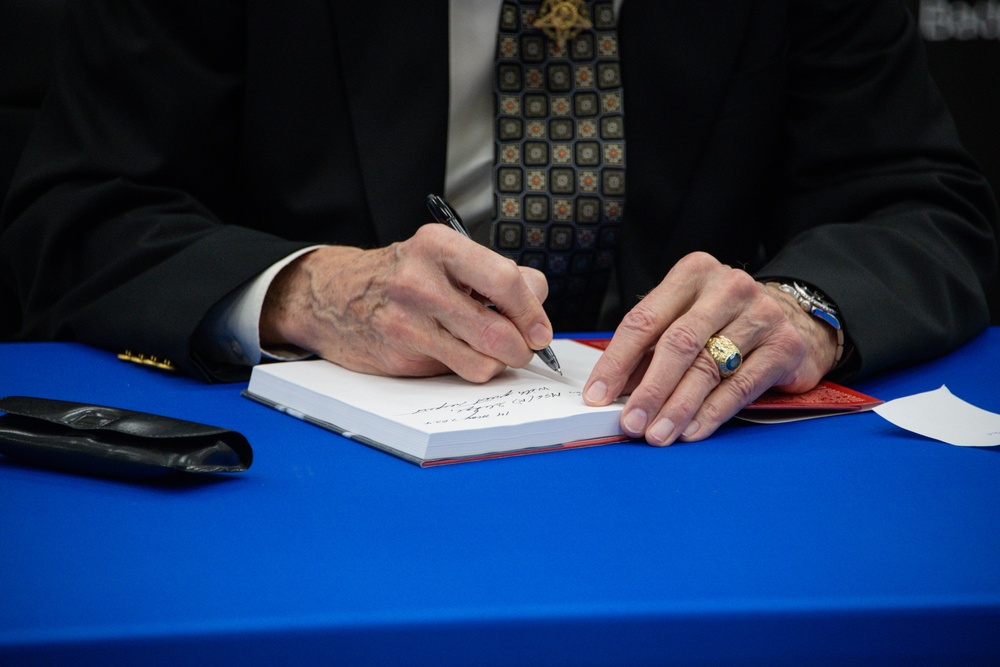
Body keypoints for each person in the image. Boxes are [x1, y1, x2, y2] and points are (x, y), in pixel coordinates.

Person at [0, 1, 996, 448]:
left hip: (690, 453)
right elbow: (80, 210)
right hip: (307, 469)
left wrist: (804, 306)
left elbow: (921, 202)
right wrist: (303, 291)